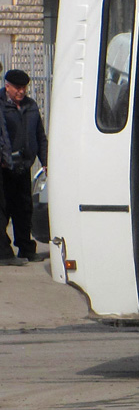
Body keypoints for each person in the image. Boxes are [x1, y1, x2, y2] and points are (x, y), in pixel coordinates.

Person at [0, 69, 47, 265]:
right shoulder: (1, 105)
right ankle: (3, 253)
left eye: (24, 88)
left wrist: (45, 162)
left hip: (23, 166)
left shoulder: (30, 106)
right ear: (7, 86)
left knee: (24, 209)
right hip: (3, 167)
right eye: (17, 88)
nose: (21, 92)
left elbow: (40, 136)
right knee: (2, 210)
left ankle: (26, 249)